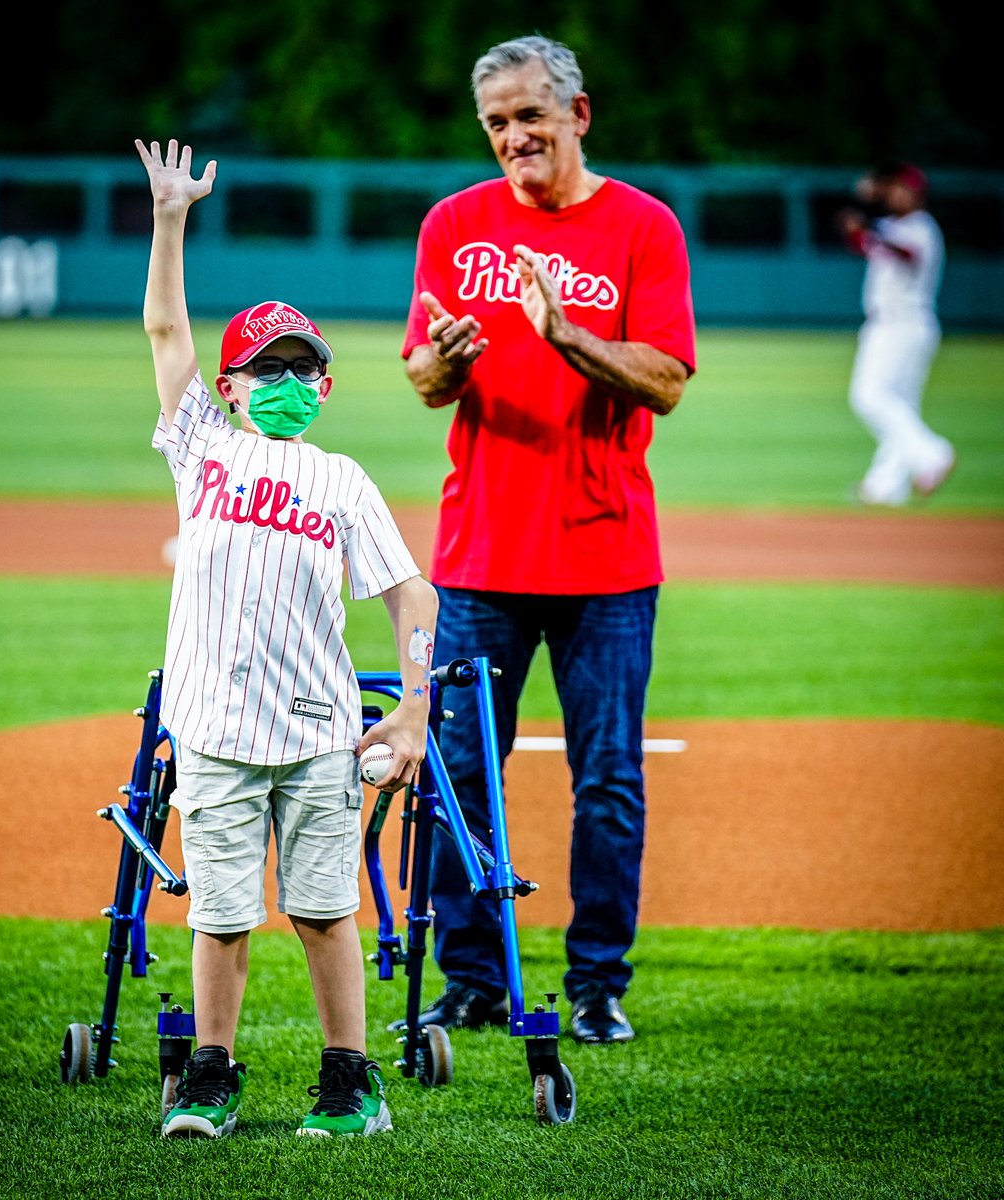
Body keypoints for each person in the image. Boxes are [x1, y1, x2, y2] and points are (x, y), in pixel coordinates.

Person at [135, 136, 438, 1139]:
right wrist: (171, 219)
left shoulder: (343, 478)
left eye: (304, 366)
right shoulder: (204, 444)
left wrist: (414, 712)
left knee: (321, 911)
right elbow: (165, 325)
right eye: (268, 366)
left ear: (326, 386)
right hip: (217, 725)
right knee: (220, 914)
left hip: (317, 732)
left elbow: (409, 594)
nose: (288, 380)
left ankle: (352, 1085)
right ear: (229, 383)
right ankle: (212, 1078)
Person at [397, 35, 696, 1046]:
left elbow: (666, 378)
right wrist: (440, 364)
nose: (512, 137)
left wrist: (565, 335)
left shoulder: (642, 227)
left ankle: (597, 985)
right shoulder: (455, 224)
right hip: (479, 553)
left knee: (607, 777)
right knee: (461, 770)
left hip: (606, 556)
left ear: (578, 114)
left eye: (529, 115)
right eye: (495, 122)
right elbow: (424, 379)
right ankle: (474, 979)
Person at [837, 161, 955, 506]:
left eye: (903, 189)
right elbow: (858, 241)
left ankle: (932, 453)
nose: (896, 194)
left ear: (918, 195)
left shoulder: (921, 228)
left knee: (869, 397)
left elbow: (905, 253)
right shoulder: (889, 225)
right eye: (893, 189)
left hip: (903, 325)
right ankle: (886, 487)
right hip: (891, 324)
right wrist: (862, 208)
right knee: (900, 408)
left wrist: (870, 224)